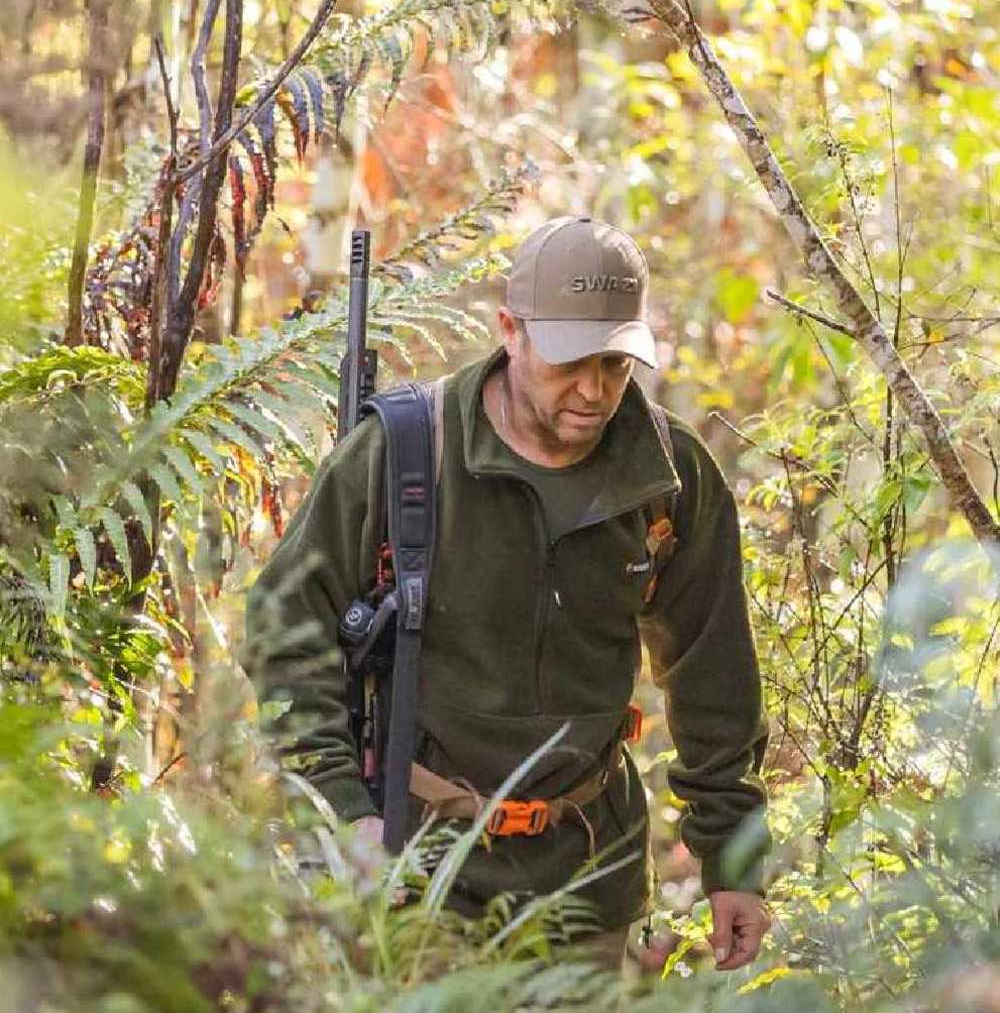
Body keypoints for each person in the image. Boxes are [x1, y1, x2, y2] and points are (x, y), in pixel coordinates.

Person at [243, 216, 771, 971]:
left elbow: (712, 671)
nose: (593, 391)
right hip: (411, 873)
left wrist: (732, 863)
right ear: (510, 331)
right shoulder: (404, 452)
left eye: (615, 364)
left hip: (590, 881)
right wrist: (343, 812)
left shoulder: (668, 475)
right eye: (569, 361)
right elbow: (283, 630)